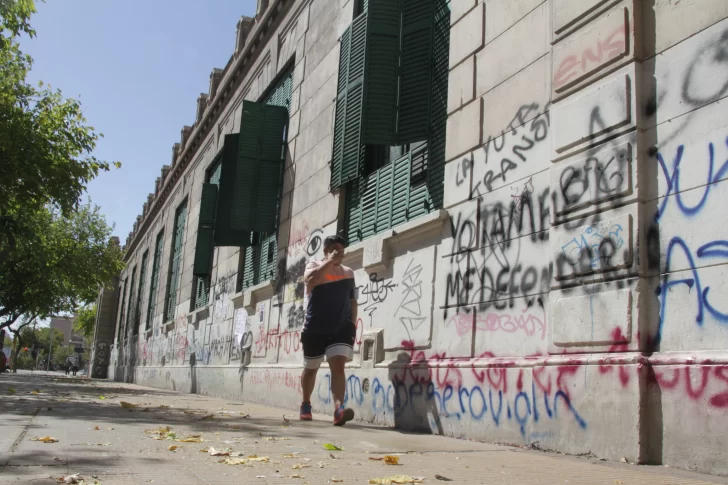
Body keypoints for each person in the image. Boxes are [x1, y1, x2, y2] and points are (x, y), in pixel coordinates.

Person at [299, 235, 358, 426]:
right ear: (325, 251)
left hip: (340, 327)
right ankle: (306, 403)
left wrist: (353, 324)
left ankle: (338, 409)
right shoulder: (313, 265)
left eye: (341, 248)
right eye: (334, 248)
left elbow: (352, 300)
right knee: (311, 369)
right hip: (315, 327)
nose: (338, 252)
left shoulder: (349, 272)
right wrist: (329, 262)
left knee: (338, 367)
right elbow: (310, 280)